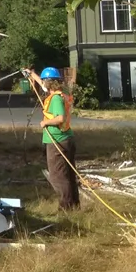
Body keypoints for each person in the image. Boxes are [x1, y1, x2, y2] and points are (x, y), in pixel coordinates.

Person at [26, 66, 80, 210]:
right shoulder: (62, 93)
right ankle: (74, 206)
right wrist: (32, 74)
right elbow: (43, 86)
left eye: (44, 81)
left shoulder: (55, 99)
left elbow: (60, 118)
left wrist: (45, 122)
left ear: (48, 82)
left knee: (58, 177)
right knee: (69, 175)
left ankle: (66, 207)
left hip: (57, 141)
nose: (42, 83)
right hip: (66, 138)